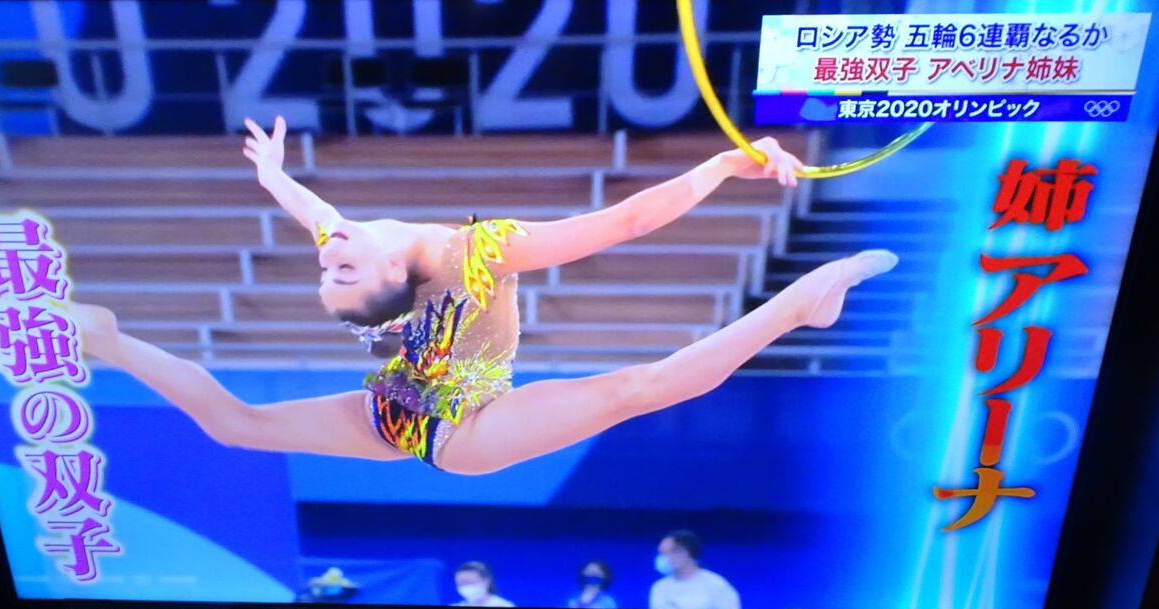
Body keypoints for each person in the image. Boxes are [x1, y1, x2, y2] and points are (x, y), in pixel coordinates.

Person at [70, 115, 898, 474]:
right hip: (459, 432)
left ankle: (104, 336)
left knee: (234, 425)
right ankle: (799, 306)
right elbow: (630, 220)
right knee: (636, 389)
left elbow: (317, 216)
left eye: (331, 270)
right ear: (393, 283)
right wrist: (722, 163)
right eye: (338, 272)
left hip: (418, 403)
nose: (331, 256)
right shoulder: (465, 254)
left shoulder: (387, 250)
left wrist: (276, 178)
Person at [649, 530, 742, 609]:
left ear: (684, 552)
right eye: (660, 553)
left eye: (665, 553)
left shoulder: (716, 586)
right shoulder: (659, 587)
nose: (661, 558)